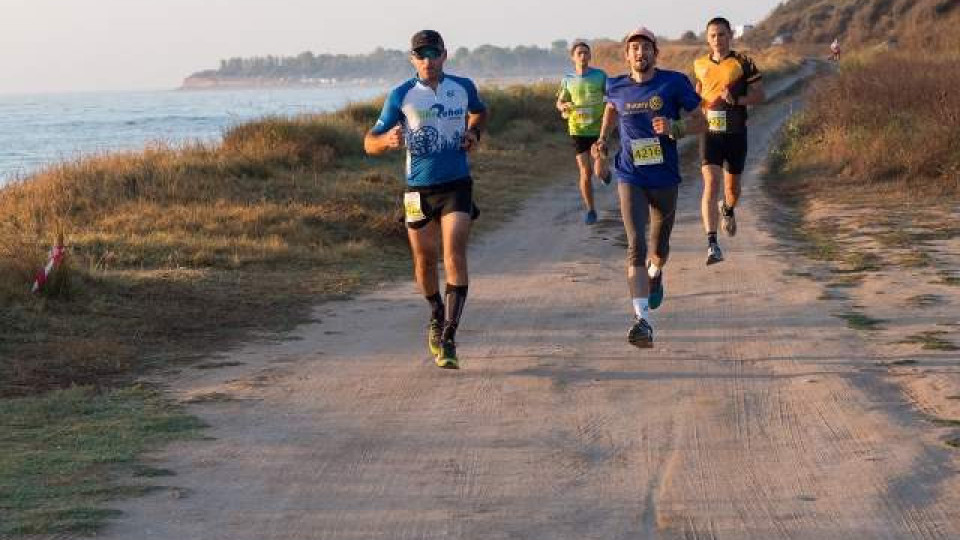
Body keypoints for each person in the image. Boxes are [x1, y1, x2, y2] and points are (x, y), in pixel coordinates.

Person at [363, 30, 487, 369]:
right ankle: (435, 312)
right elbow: (368, 142)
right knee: (424, 259)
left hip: (457, 185)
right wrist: (386, 140)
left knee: (454, 252)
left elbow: (479, 112)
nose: (428, 60)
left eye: (433, 53)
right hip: (417, 190)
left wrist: (473, 133)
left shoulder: (462, 87)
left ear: (445, 55)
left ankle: (449, 335)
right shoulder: (401, 95)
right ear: (412, 59)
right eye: (421, 55)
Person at [594, 26, 706, 348]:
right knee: (635, 245)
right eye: (633, 48)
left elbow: (701, 121)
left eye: (645, 48)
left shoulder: (674, 83)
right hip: (631, 175)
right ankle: (642, 320)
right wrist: (602, 141)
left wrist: (676, 127)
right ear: (626, 55)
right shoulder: (615, 85)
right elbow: (611, 110)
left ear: (655, 52)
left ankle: (656, 273)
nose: (639, 53)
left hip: (665, 177)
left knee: (659, 250)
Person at [693, 16, 765, 265]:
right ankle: (712, 243)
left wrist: (738, 101)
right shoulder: (699, 64)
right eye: (712, 35)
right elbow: (698, 94)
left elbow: (760, 95)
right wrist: (695, 110)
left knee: (732, 189)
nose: (717, 39)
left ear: (730, 36)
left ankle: (729, 209)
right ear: (707, 38)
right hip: (710, 133)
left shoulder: (744, 62)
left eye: (722, 34)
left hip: (735, 133)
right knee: (711, 184)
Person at [556, 40, 609, 225]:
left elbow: (610, 96)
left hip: (598, 129)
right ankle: (590, 210)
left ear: (590, 56)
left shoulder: (600, 76)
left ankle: (605, 174)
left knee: (598, 170)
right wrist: (563, 106)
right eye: (579, 53)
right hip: (577, 129)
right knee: (585, 172)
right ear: (573, 57)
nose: (583, 56)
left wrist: (608, 110)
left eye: (586, 53)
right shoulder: (567, 79)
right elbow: (560, 102)